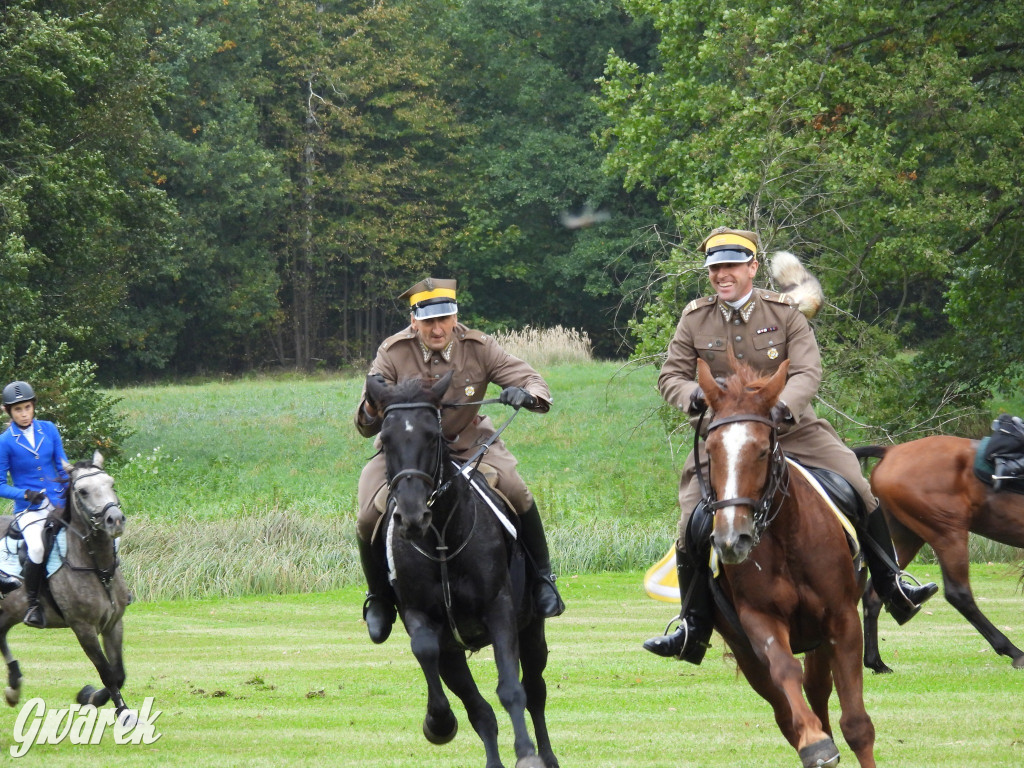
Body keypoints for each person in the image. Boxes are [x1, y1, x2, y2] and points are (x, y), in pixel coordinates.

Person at [643, 227, 938, 663]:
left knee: (859, 486)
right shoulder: (695, 318)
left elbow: (807, 370)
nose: (722, 275)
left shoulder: (784, 313)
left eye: (730, 266)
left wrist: (783, 407)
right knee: (691, 516)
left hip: (793, 429)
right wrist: (692, 396)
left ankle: (893, 583)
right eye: (715, 268)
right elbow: (671, 374)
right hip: (728, 440)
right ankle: (692, 626)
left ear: (752, 268)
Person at [354, 278, 565, 643]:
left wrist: (525, 395)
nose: (438, 329)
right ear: (414, 320)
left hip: (469, 445)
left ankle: (544, 579)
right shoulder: (392, 352)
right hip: (409, 456)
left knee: (518, 491)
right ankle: (379, 599)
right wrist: (375, 403)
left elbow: (532, 380)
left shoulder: (479, 347)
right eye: (429, 321)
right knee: (368, 514)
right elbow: (365, 422)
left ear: (455, 316)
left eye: (445, 319)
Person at [0, 380, 71, 628]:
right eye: (18, 410)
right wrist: (25, 495)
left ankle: (114, 588)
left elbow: (63, 464)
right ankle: (33, 604)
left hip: (60, 502)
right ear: (8, 411)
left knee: (98, 531)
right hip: (30, 510)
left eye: (27, 408)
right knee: (38, 548)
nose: (24, 414)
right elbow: (0, 485)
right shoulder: (5, 442)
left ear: (33, 407)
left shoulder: (49, 429)